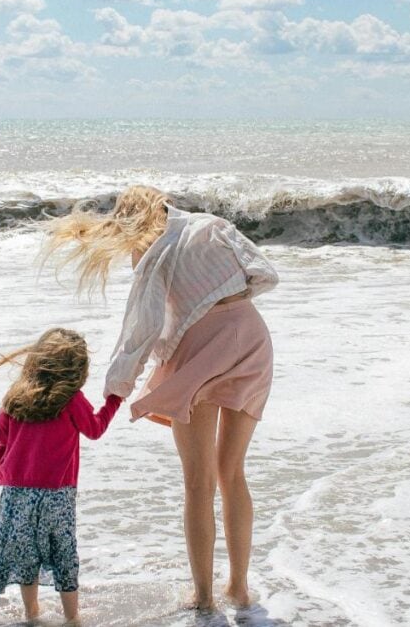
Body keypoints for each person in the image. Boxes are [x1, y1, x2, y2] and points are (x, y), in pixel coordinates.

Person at [42, 186, 278, 612]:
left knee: (198, 482)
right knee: (232, 473)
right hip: (252, 338)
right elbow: (262, 272)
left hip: (201, 352)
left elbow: (142, 327)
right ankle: (239, 588)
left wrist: (119, 384)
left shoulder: (153, 253)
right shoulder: (212, 225)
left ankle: (204, 597)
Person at [0, 327, 123, 625]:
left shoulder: (15, 397)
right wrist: (113, 401)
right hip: (57, 494)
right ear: (77, 369)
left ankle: (32, 613)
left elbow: (0, 433)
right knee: (63, 552)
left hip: (17, 493)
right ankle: (72, 617)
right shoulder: (72, 400)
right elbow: (94, 430)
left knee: (25, 554)